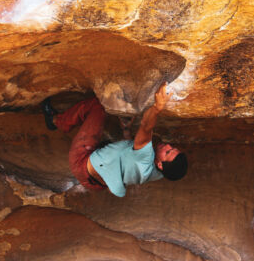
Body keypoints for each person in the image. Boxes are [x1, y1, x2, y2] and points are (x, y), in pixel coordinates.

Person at [42, 83, 188, 197]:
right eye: (173, 148)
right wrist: (125, 130)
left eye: (168, 152)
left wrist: (158, 106)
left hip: (81, 161)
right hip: (96, 183)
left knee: (97, 106)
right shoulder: (160, 174)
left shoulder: (145, 157)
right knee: (115, 146)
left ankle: (56, 121)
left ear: (160, 164)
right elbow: (130, 162)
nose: (168, 145)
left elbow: (146, 126)